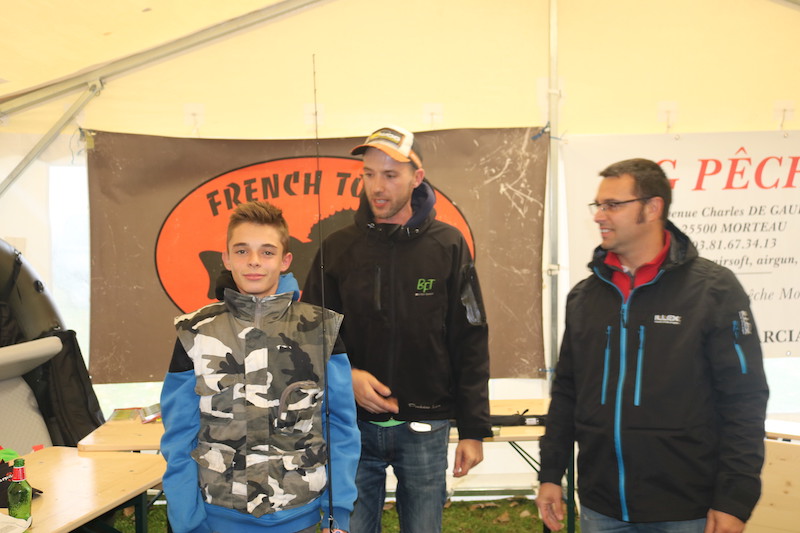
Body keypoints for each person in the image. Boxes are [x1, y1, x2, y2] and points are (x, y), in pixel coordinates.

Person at [536, 159, 769, 533]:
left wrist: (734, 499)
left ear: (652, 207)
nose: (599, 216)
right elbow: (567, 392)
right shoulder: (584, 296)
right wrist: (550, 473)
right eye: (598, 205)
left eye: (613, 205)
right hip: (602, 507)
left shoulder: (714, 290)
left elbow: (744, 399)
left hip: (687, 509)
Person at [302, 125, 492, 532]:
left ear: (416, 177)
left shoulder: (449, 245)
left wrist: (473, 430)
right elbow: (311, 333)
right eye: (369, 174)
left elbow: (470, 338)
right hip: (350, 425)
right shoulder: (336, 248)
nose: (377, 186)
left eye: (390, 175)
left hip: (426, 424)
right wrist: (347, 376)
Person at [160, 201, 360, 533]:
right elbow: (178, 437)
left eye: (267, 252)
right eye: (242, 251)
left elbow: (341, 429)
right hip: (217, 517)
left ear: (285, 261)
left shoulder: (322, 329)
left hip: (300, 517)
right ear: (226, 259)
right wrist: (187, 522)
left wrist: (336, 513)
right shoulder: (194, 332)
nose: (254, 261)